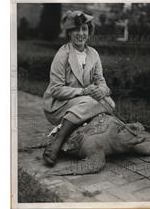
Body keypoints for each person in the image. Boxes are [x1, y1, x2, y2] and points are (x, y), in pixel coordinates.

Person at [42, 10, 115, 165]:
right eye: (76, 29)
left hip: (83, 102)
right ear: (69, 33)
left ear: (89, 32)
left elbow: (101, 81)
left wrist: (101, 90)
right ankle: (57, 142)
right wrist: (84, 91)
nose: (80, 33)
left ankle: (80, 132)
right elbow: (55, 90)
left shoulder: (93, 54)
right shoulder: (62, 54)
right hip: (58, 105)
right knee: (91, 103)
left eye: (84, 29)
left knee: (110, 103)